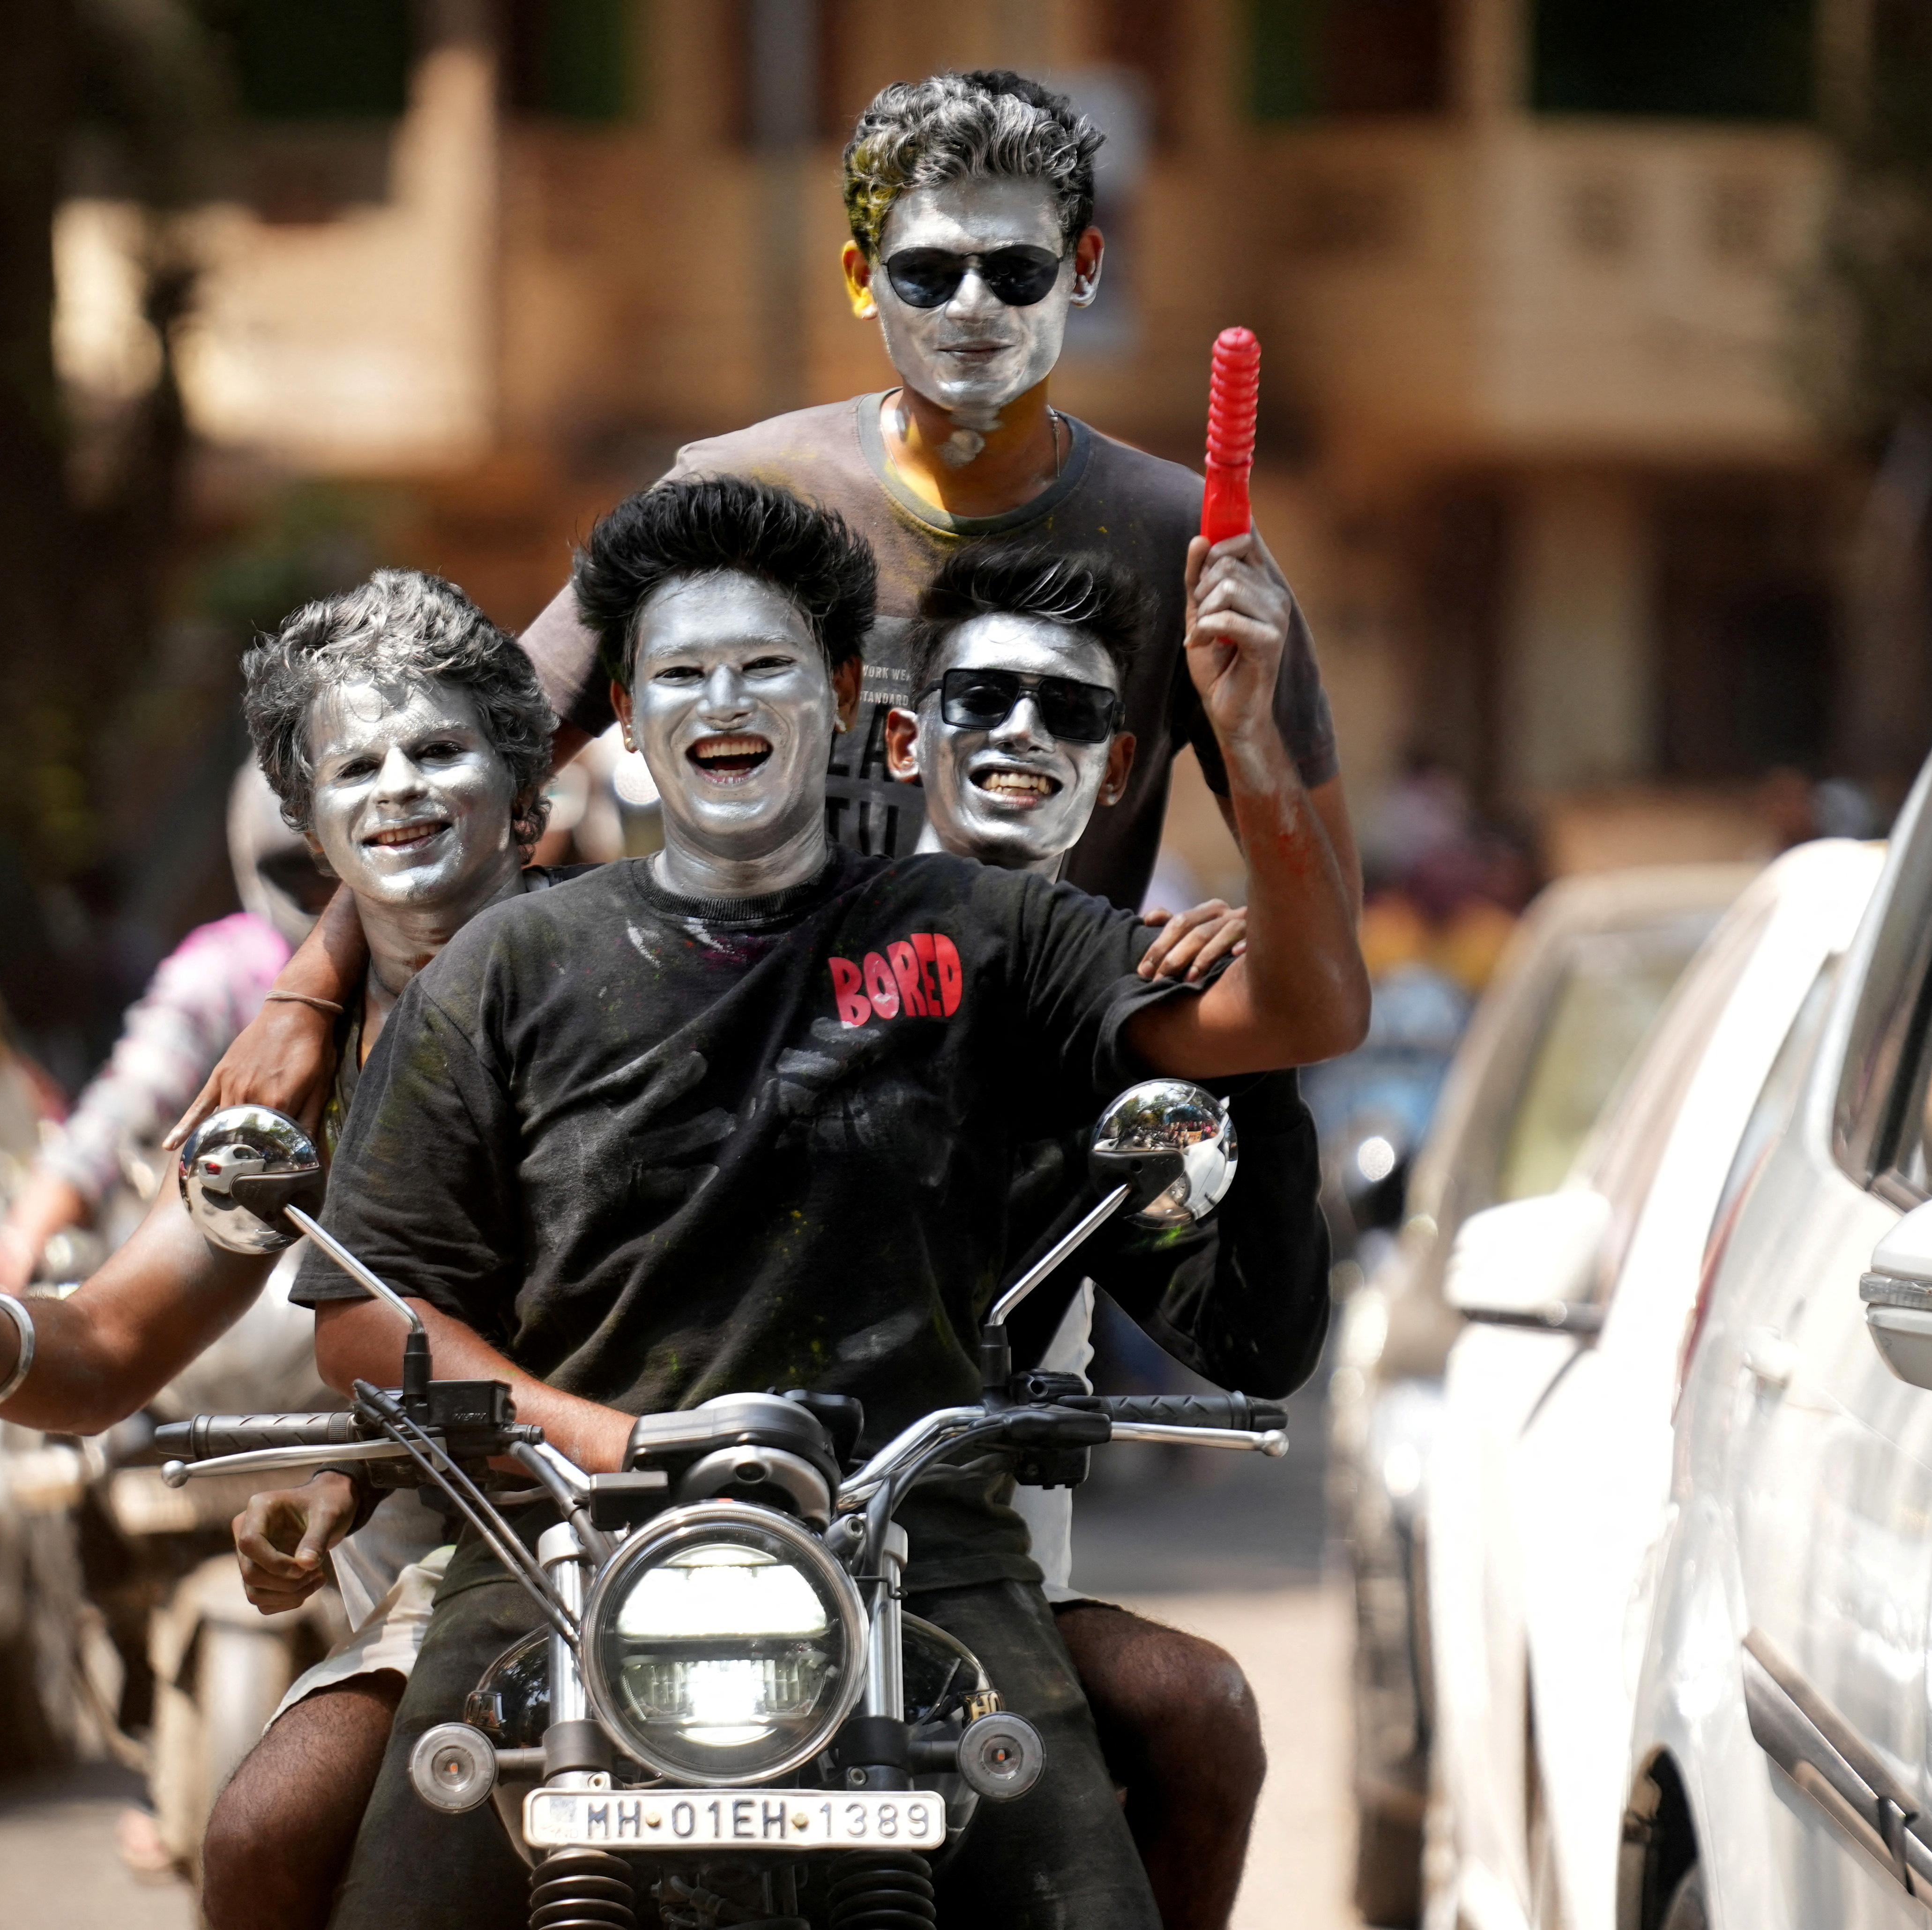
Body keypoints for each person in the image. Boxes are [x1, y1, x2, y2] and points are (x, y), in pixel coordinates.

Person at [257, 472, 1340, 1930]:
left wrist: (1252, 738)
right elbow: (363, 1322)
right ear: (628, 726)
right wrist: (603, 1438)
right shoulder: (506, 967)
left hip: (921, 1559)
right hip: (567, 1557)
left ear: (841, 699)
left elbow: (1302, 1006)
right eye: (680, 674)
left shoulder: (985, 929)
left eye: (764, 666)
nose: (724, 700)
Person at [168, 66, 1367, 1146]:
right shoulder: (738, 495)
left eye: (1014, 271)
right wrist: (308, 996)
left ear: (1083, 272)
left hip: (999, 1163)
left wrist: (1245, 885)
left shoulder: (1183, 545)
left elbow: (1323, 949)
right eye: (925, 270)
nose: (970, 307)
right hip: (709, 1137)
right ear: (860, 280)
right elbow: (478, 765)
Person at [0, 572, 570, 1925]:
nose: (399, 787)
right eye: (356, 764)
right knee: (264, 1832)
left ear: (528, 790)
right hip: (474, 1576)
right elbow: (104, 1345)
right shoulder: (283, 1093)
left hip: (726, 1522)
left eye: (440, 750)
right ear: (306, 826)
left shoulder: (663, 977)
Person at [880, 542, 1333, 1924]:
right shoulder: (770, 953)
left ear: (1120, 765)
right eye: (983, 697)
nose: (1023, 732)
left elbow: (1253, 1339)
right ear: (905, 737)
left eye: (1068, 709)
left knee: (1200, 1709)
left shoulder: (1127, 1021)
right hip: (707, 1566)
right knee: (333, 1803)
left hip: (983, 1585)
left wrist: (1252, 1054)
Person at [0, 764, 328, 1292]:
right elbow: (128, 1103)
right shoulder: (225, 973)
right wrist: (22, 1238)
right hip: (268, 1292)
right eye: (299, 875)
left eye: (333, 874)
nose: (323, 898)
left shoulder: (433, 957)